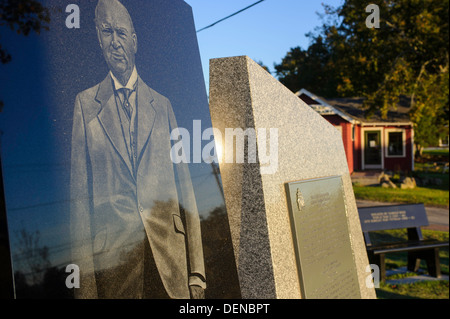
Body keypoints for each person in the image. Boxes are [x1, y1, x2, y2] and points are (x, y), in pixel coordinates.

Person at [70, 0, 205, 299]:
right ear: (98, 38)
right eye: (107, 32)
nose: (114, 42)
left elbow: (186, 187)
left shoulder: (163, 105)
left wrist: (196, 273)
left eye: (120, 32)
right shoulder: (84, 105)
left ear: (134, 41)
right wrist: (85, 291)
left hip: (171, 266)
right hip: (116, 268)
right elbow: (79, 203)